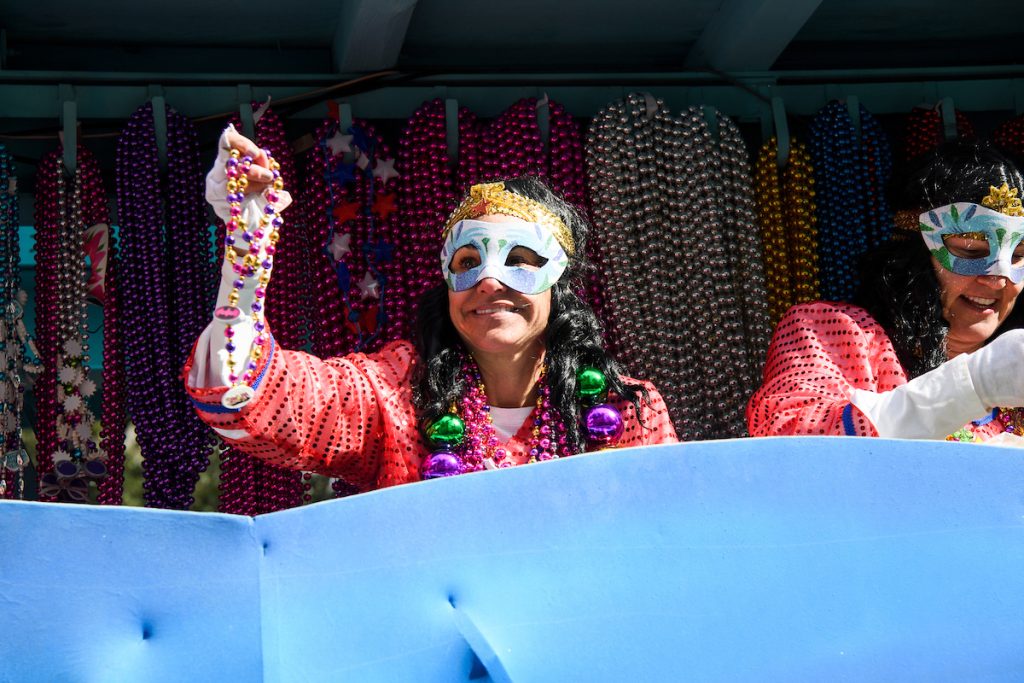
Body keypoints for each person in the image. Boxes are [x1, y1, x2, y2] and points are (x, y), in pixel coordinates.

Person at [185, 126, 677, 491]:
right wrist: (243, 269)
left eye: (520, 260)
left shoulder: (626, 409)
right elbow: (263, 399)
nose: (488, 280)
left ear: (559, 283)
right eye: (468, 261)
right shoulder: (396, 395)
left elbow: (668, 538)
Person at [748, 140, 1024, 441]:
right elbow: (795, 441)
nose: (998, 280)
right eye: (970, 252)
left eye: (1018, 256)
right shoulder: (832, 333)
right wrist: (974, 383)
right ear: (913, 251)